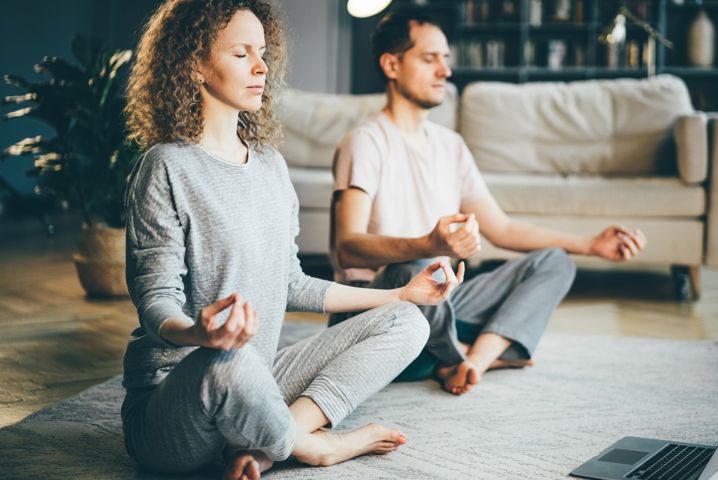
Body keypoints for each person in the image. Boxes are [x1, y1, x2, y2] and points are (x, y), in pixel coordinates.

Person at [121, 2, 464, 479]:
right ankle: (314, 445)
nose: (262, 67)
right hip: (181, 400)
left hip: (260, 381)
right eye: (241, 54)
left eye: (262, 52)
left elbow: (293, 283)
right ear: (195, 64)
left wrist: (400, 293)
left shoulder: (269, 165)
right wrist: (202, 334)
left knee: (408, 322)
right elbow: (155, 301)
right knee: (229, 362)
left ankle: (269, 441)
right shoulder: (165, 167)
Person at [330, 12, 647, 396]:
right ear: (392, 64)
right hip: (375, 308)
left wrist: (590, 244)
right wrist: (429, 245)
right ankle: (460, 355)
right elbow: (348, 247)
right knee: (422, 266)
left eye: (446, 59)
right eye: (430, 59)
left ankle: (471, 362)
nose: (445, 71)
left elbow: (503, 229)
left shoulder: (451, 146)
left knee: (555, 261)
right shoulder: (366, 141)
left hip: (437, 302)